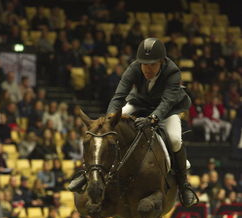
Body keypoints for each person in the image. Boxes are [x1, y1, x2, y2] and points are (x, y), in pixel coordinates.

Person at [69, 38, 198, 207]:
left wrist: (152, 119)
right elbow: (119, 96)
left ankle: (183, 185)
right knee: (105, 129)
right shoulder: (134, 68)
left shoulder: (173, 72)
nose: (147, 69)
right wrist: (109, 120)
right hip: (139, 104)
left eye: (152, 65)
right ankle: (87, 174)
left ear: (161, 61)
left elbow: (166, 103)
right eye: (144, 64)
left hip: (167, 110)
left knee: (174, 139)